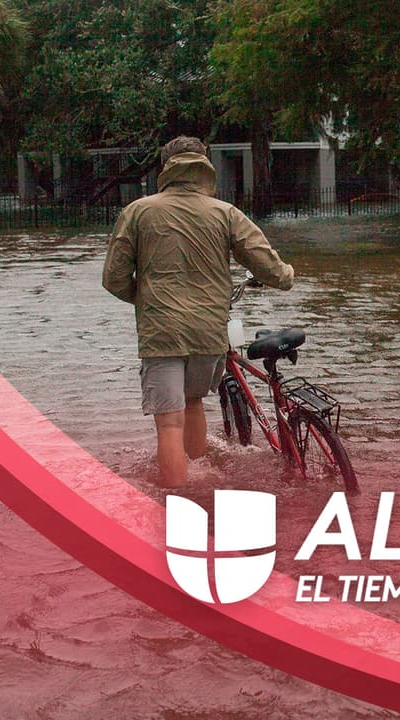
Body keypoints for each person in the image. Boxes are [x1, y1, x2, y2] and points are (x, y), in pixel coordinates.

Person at [102, 136, 295, 488]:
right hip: (208, 332)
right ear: (204, 166)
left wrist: (148, 300)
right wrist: (286, 276)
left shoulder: (138, 211)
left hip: (162, 334)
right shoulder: (225, 213)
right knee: (193, 405)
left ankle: (179, 503)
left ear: (166, 168)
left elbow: (113, 279)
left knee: (169, 424)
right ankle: (203, 490)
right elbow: (267, 264)